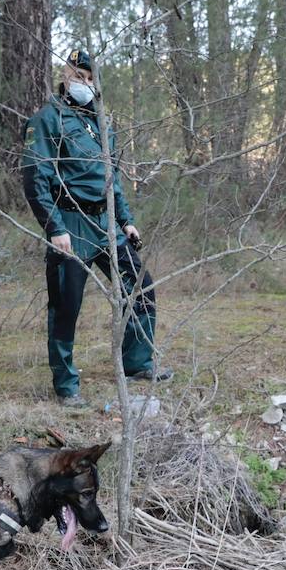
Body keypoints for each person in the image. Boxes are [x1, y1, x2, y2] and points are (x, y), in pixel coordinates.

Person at [21, 49, 171, 407]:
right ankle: (67, 384)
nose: (84, 84)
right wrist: (53, 227)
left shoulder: (101, 122)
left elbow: (111, 178)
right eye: (78, 76)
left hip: (106, 223)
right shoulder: (46, 119)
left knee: (140, 287)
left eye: (90, 78)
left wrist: (126, 220)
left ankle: (138, 362)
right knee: (66, 304)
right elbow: (34, 179)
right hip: (70, 222)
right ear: (65, 75)